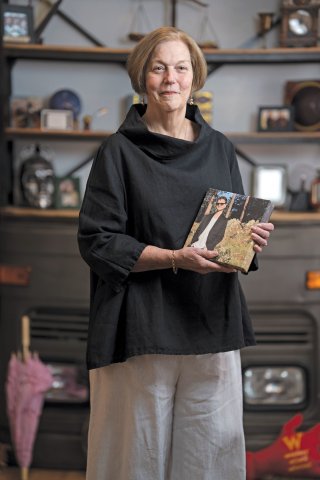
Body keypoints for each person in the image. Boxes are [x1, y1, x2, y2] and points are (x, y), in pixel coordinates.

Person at [78, 26, 274, 480]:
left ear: (195, 77)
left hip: (210, 322)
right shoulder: (118, 151)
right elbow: (97, 241)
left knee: (209, 455)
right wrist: (173, 258)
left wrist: (249, 241)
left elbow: (233, 237)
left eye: (181, 68)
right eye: (159, 67)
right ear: (142, 77)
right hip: (142, 326)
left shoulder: (220, 146)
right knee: (137, 455)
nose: (171, 78)